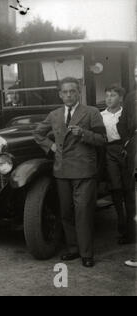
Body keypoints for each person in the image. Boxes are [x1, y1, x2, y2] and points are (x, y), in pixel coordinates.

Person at [33, 77, 106, 268]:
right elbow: (38, 133)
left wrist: (83, 133)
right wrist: (51, 147)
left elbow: (102, 139)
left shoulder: (92, 112)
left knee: (83, 213)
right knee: (66, 212)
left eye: (72, 91)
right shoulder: (55, 114)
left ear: (78, 92)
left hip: (84, 171)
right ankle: (73, 249)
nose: (69, 95)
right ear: (60, 94)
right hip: (62, 171)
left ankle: (86, 253)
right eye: (65, 92)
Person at [101, 85, 136, 245]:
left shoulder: (126, 113)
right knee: (116, 187)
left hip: (126, 149)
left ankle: (131, 228)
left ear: (121, 98)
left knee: (128, 189)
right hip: (109, 151)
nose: (109, 98)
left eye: (113, 95)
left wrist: (127, 147)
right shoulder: (101, 115)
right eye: (107, 95)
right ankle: (120, 222)